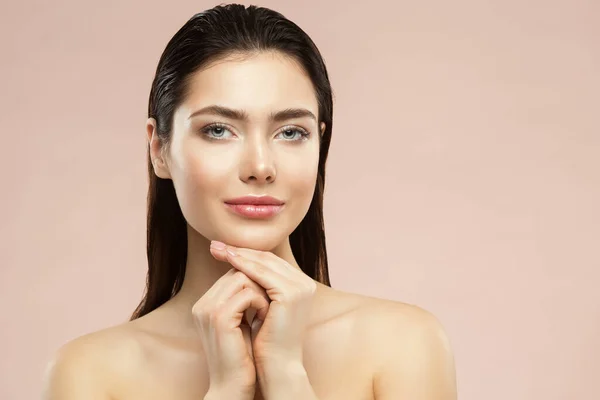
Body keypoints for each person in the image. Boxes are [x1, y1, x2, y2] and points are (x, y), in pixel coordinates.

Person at [42, 3, 457, 399]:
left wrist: (286, 376)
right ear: (159, 149)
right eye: (219, 130)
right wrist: (225, 391)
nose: (260, 166)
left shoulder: (404, 345)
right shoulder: (89, 373)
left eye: (291, 132)